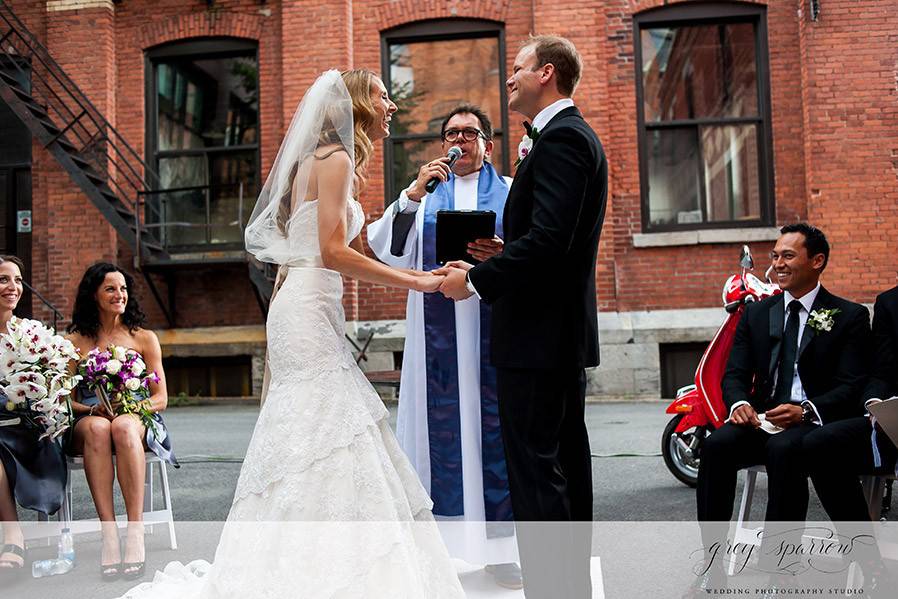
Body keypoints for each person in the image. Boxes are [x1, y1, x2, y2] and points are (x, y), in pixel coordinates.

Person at [114, 70, 464, 599]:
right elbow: (334, 252)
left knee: (312, 428)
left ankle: (301, 566)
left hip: (303, 304)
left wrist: (412, 193)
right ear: (354, 105)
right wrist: (418, 281)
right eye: (382, 96)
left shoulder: (315, 160)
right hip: (307, 306)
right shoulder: (337, 159)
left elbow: (313, 248)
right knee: (328, 424)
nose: (391, 105)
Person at [436, 35, 607, 599]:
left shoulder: (561, 141)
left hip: (537, 337)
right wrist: (502, 251)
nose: (510, 77)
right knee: (559, 467)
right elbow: (548, 239)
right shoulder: (563, 138)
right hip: (550, 334)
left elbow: (554, 241)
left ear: (547, 74)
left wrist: (476, 280)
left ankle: (556, 589)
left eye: (518, 68)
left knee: (538, 474)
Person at [367, 104, 521, 588]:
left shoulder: (513, 191)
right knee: (444, 439)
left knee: (497, 436)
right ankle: (442, 550)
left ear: (487, 144)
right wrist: (412, 195)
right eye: (450, 134)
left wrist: (502, 252)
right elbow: (387, 249)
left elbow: (534, 249)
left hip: (495, 329)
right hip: (440, 337)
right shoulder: (426, 195)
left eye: (469, 134)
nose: (459, 141)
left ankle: (502, 552)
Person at [693, 223, 870, 592]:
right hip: (762, 418)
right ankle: (712, 562)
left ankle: (780, 567)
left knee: (785, 448)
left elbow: (851, 387)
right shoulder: (757, 313)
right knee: (716, 446)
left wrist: (805, 411)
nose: (777, 264)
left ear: (817, 261)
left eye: (788, 255)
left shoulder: (849, 316)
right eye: (775, 256)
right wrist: (739, 402)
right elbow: (735, 373)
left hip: (813, 421)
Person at [67, 262, 177, 582]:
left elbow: (161, 398)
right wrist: (90, 411)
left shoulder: (143, 338)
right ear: (93, 295)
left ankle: (135, 531)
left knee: (123, 426)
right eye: (111, 289)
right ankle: (109, 534)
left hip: (136, 414)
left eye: (124, 288)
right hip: (89, 416)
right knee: (101, 428)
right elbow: (65, 399)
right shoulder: (75, 341)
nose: (120, 295)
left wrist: (131, 406)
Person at [800, 284, 898, 591]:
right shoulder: (890, 302)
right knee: (820, 444)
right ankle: (870, 565)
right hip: (895, 424)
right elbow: (881, 372)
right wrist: (875, 404)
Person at [0, 255, 67, 577]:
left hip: (31, 431)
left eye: (17, 280)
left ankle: (12, 537)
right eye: (3, 279)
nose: (12, 287)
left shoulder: (31, 333)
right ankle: (13, 534)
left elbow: (57, 382)